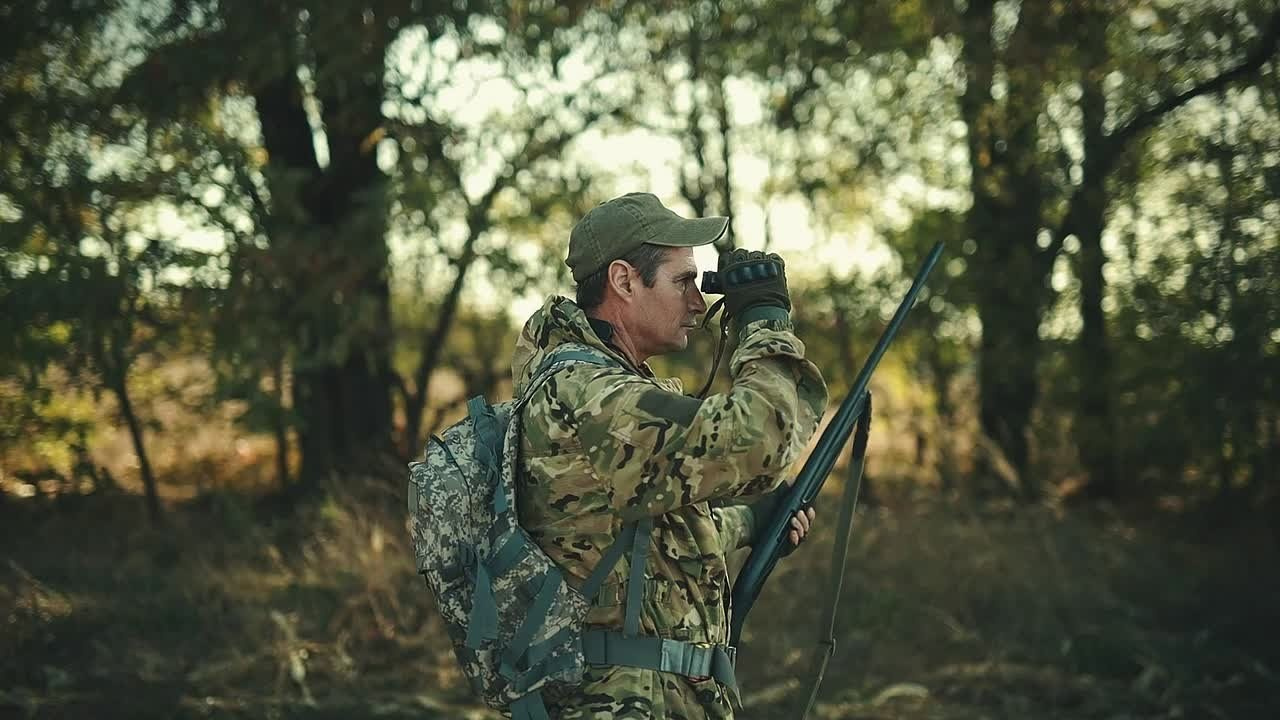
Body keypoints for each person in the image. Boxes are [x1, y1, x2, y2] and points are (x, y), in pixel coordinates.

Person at [512, 192, 829, 719]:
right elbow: (760, 438)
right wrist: (766, 323)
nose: (700, 304)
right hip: (620, 703)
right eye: (683, 281)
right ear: (623, 280)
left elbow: (644, 539)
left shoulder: (602, 387)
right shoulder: (589, 394)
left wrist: (754, 521)